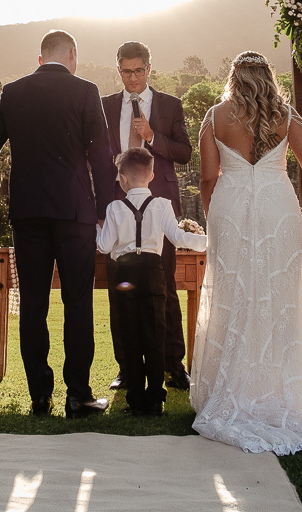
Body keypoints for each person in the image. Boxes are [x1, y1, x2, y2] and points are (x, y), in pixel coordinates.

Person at [191, 51, 302, 454]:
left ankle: (232, 388)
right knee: (280, 295)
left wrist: (217, 220)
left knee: (233, 294)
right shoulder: (287, 115)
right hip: (278, 208)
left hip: (231, 207)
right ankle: (275, 389)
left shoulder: (215, 117)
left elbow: (209, 177)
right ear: (268, 78)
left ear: (233, 77)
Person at [0, 30, 117, 418]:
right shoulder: (85, 91)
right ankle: (78, 395)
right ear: (71, 54)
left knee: (33, 303)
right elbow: (101, 154)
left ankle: (39, 396)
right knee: (77, 302)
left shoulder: (13, 92)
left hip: (28, 213)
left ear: (40, 59)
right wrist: (106, 207)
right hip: (75, 213)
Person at [100, 41, 194, 391]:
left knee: (164, 286)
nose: (133, 77)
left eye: (139, 70)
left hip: (159, 206)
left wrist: (153, 137)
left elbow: (184, 152)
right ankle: (127, 369)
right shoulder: (105, 106)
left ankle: (173, 365)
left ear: (149, 68)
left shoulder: (170, 105)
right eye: (126, 71)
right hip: (117, 208)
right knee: (119, 290)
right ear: (119, 70)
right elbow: (94, 155)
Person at [96, 148, 207, 416]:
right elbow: (178, 239)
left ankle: (135, 399)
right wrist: (208, 242)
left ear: (121, 178)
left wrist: (96, 231)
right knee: (156, 331)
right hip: (153, 270)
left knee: (130, 332)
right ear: (152, 175)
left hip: (125, 273)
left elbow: (103, 246)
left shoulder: (114, 208)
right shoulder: (162, 204)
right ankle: (156, 398)